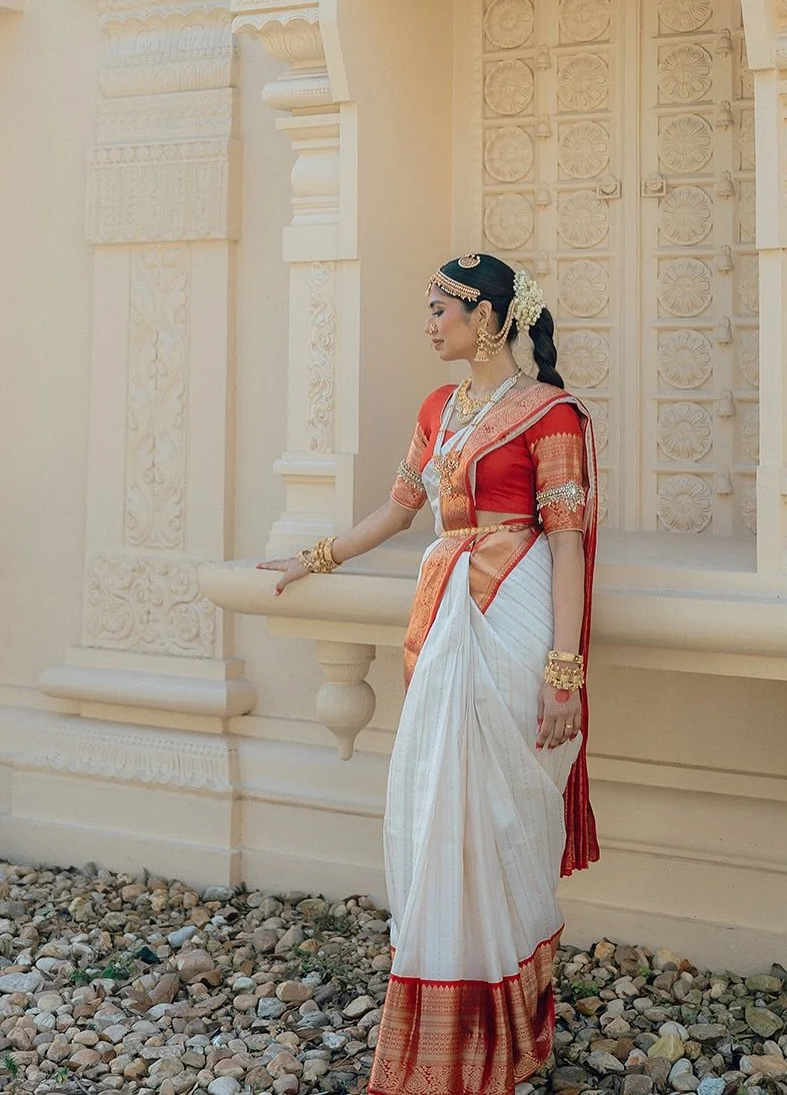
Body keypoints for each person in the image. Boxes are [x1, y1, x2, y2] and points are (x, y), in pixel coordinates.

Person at [259, 252, 599, 1095]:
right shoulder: (436, 409)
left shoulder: (551, 416)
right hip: (446, 614)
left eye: (439, 310)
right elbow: (400, 509)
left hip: (513, 620)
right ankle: (452, 1020)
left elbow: (566, 546)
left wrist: (563, 674)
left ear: (485, 317)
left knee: (502, 816)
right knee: (438, 805)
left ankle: (510, 1031)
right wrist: (315, 558)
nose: (428, 325)